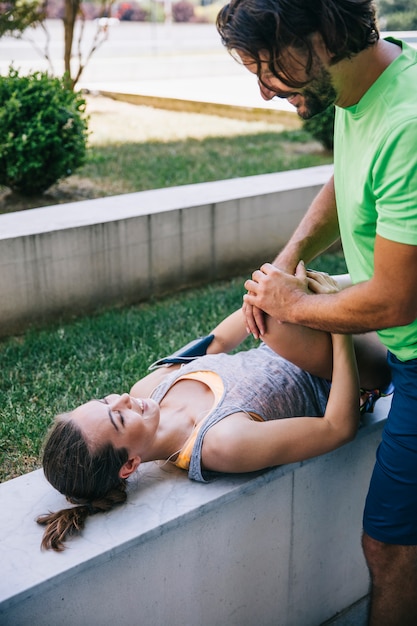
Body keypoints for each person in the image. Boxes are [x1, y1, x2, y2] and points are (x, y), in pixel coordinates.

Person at [216, 1, 417, 624]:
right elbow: (347, 177)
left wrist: (298, 298)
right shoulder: (372, 89)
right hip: (402, 341)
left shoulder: (409, 124)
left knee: (386, 547)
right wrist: (291, 257)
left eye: (268, 68)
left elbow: (395, 298)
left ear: (320, 38)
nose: (264, 89)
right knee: (281, 321)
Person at [37, 269, 390, 553]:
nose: (122, 399)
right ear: (129, 464)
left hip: (300, 331)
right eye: (118, 417)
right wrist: (335, 324)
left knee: (273, 294)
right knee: (276, 324)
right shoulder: (221, 442)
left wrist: (262, 295)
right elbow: (336, 427)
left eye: (104, 400)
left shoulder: (147, 391)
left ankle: (367, 280)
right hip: (350, 369)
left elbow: (216, 341)